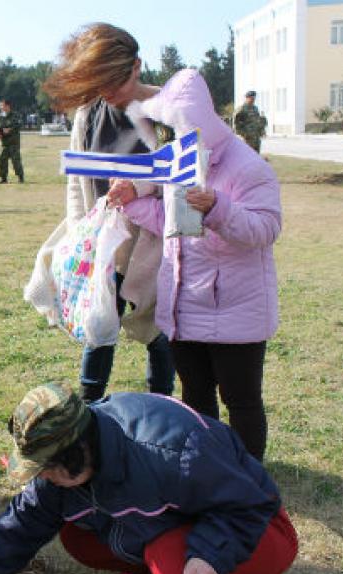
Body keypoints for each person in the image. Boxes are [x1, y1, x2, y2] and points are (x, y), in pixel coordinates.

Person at [106, 66, 281, 461]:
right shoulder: (181, 160)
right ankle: (206, 470)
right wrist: (132, 201)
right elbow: (174, 226)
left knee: (242, 402)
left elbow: (266, 228)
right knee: (196, 399)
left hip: (235, 310)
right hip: (186, 306)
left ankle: (249, 478)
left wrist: (219, 208)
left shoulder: (248, 166)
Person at [0, 383, 298, 574]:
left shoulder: (175, 452)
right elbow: (16, 530)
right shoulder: (60, 471)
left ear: (79, 448)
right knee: (77, 537)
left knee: (168, 557)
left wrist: (210, 553)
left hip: (262, 528)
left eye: (45, 467)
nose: (42, 477)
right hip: (176, 520)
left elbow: (248, 505)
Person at [40, 22, 175, 402]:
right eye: (101, 84)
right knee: (98, 326)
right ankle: (91, 410)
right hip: (104, 245)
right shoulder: (88, 113)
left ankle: (160, 407)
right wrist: (79, 230)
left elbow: (184, 176)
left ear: (137, 66)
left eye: (116, 83)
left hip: (154, 243)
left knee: (159, 335)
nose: (109, 94)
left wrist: (141, 188)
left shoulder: (168, 108)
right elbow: (76, 181)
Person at [0, 99, 24, 183]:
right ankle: (3, 178)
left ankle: (20, 177)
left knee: (16, 161)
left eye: (3, 105)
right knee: (2, 160)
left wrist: (10, 130)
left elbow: (19, 125)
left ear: (8, 106)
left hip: (14, 143)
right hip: (4, 144)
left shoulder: (15, 115)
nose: (1, 107)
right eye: (0, 105)